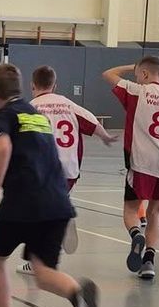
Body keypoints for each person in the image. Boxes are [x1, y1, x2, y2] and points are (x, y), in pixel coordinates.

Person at [0, 63, 101, 307]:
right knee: (42, 272)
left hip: (23, 203)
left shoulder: (1, 116)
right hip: (58, 202)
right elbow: (30, 152)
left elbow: (4, 148)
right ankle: (77, 293)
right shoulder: (36, 115)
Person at [19, 64, 117, 273]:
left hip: (43, 171)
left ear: (32, 85)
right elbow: (92, 121)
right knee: (50, 208)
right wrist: (106, 137)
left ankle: (38, 260)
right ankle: (63, 213)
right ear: (55, 86)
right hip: (70, 169)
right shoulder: (68, 104)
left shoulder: (31, 107)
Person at [105, 54, 159, 282]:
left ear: (144, 73)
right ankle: (149, 263)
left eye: (138, 75)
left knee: (131, 210)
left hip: (141, 162)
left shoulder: (137, 91)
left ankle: (137, 235)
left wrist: (131, 66)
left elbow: (108, 74)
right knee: (155, 212)